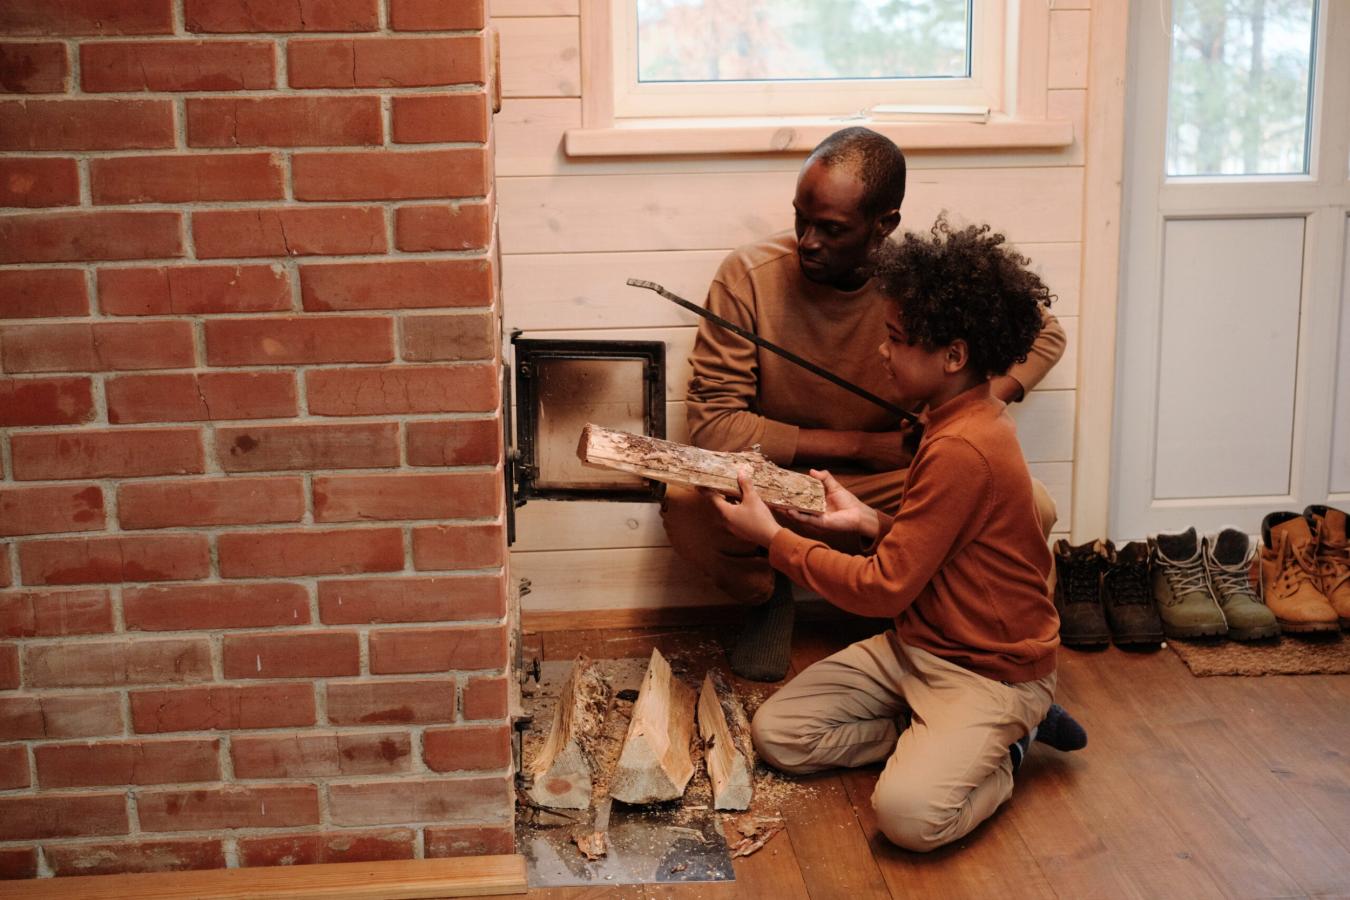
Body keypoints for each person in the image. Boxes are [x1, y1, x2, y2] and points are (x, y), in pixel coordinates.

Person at [708, 216, 1084, 853]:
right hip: (918, 647)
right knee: (779, 735)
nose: (883, 351)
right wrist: (867, 521)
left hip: (990, 673)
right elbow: (936, 544)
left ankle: (1012, 743)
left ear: (953, 357)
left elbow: (881, 590)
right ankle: (928, 736)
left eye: (897, 339)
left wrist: (772, 539)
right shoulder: (955, 418)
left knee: (909, 819)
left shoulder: (967, 445)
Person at [661, 127, 1066, 681]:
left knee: (1031, 502)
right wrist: (861, 445)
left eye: (832, 229)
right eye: (802, 218)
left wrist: (965, 403)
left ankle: (918, 612)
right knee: (687, 501)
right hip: (782, 478)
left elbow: (1045, 335)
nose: (808, 241)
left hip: (894, 480)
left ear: (885, 225)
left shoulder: (922, 283)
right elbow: (713, 428)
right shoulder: (748, 276)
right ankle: (766, 599)